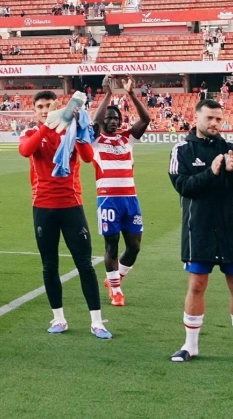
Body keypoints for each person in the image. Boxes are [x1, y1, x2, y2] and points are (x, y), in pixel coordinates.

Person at [168, 99, 233, 365]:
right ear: (196, 117)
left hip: (231, 227)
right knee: (197, 284)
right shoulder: (182, 150)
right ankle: (190, 346)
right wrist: (211, 173)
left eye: (218, 119)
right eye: (209, 118)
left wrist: (232, 173)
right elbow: (183, 186)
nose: (214, 124)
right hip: (198, 228)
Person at [19, 91, 111, 339]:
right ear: (35, 110)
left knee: (84, 264)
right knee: (50, 265)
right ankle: (59, 318)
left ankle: (96, 321)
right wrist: (47, 126)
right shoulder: (32, 133)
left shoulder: (73, 130)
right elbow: (25, 150)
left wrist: (78, 126)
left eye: (49, 105)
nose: (45, 109)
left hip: (71, 205)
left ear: (59, 106)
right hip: (43, 206)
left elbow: (89, 157)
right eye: (40, 106)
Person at [87, 76, 150, 307]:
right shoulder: (95, 140)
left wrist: (132, 94)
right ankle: (116, 291)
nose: (113, 121)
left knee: (134, 246)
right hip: (108, 200)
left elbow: (146, 119)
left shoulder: (127, 139)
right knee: (111, 245)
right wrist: (108, 94)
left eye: (116, 119)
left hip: (130, 200)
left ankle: (115, 280)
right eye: (109, 118)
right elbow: (94, 122)